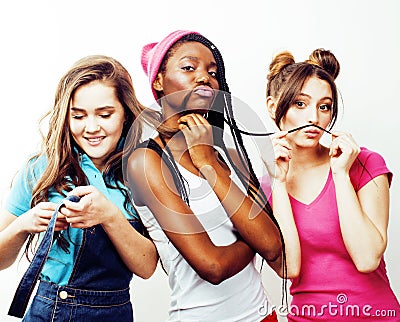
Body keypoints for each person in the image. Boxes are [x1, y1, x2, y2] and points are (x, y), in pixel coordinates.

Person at [126, 30, 285, 321]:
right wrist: (255, 240)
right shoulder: (145, 161)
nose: (204, 78)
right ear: (158, 81)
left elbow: (274, 248)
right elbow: (212, 267)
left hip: (263, 315)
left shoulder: (226, 152)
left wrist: (208, 162)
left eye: (212, 72)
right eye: (189, 68)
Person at [0, 55, 158, 321]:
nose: (91, 127)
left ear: (125, 115)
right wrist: (23, 225)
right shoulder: (43, 169)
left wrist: (109, 216)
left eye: (105, 114)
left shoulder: (144, 174)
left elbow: (147, 267)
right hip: (47, 312)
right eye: (79, 116)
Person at [259, 48, 400, 321]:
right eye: (300, 104)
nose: (314, 117)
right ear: (273, 106)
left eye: (324, 106)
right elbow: (291, 269)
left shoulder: (364, 164)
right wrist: (278, 181)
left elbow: (368, 258)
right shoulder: (266, 187)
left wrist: (340, 174)